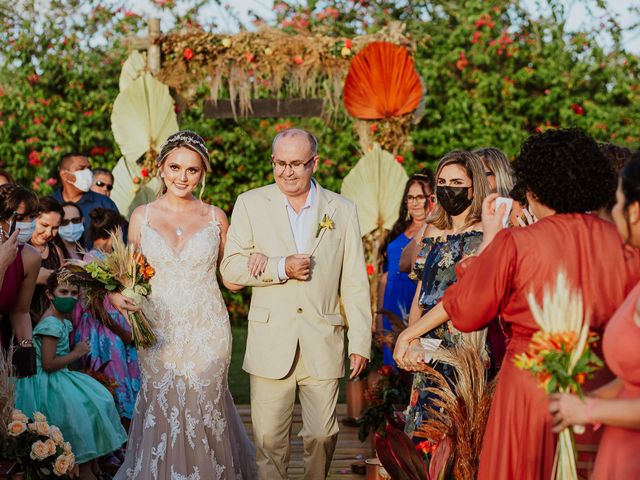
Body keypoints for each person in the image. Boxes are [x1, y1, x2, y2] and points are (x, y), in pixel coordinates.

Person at [397, 128, 640, 480]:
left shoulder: (517, 243)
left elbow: (466, 312)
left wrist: (492, 241)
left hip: (529, 386)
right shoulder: (624, 246)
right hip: (598, 383)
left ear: (534, 189)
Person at [221, 128, 372, 480]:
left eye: (296, 164)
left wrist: (360, 341)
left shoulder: (343, 210)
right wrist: (278, 266)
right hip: (271, 341)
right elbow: (230, 267)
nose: (287, 171)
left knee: (323, 434)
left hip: (323, 338)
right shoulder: (250, 203)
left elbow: (353, 281)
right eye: (280, 163)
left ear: (314, 163)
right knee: (269, 441)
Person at [111, 130, 257, 480]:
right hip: (159, 328)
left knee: (205, 406)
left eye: (192, 170)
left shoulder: (216, 217)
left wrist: (259, 259)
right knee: (163, 407)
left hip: (208, 328)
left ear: (202, 173)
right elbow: (127, 276)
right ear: (161, 168)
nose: (182, 177)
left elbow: (232, 279)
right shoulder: (141, 217)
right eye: (175, 167)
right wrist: (117, 295)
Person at [548, 156, 640, 479]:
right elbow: (633, 380)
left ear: (635, 211)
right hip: (620, 448)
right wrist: (593, 397)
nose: (611, 214)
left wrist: (587, 410)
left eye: (616, 203)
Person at [398, 151, 491, 439]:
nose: (448, 187)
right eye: (442, 181)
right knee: (424, 433)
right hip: (426, 346)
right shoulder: (433, 230)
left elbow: (463, 297)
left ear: (474, 187)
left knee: (457, 435)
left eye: (456, 181)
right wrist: (411, 338)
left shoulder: (485, 234)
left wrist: (410, 335)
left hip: (461, 345)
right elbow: (420, 291)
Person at [14, 270, 128, 480]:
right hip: (48, 383)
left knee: (98, 402)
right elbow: (48, 364)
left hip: (59, 376)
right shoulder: (51, 324)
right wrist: (77, 353)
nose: (69, 297)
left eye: (74, 293)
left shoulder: (59, 320)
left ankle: (94, 468)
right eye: (63, 291)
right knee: (80, 415)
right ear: (50, 294)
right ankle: (86, 469)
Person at [72, 207, 140, 427]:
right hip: (105, 332)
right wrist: (122, 331)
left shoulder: (113, 258)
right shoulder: (92, 259)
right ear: (115, 232)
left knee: (128, 379)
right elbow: (94, 307)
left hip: (119, 330)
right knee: (113, 381)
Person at [376, 173, 432, 366]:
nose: (415, 202)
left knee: (412, 358)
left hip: (414, 297)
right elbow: (385, 276)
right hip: (391, 299)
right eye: (410, 197)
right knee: (389, 361)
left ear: (431, 198)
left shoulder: (435, 230)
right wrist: (379, 315)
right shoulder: (398, 230)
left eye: (420, 197)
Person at [0, 184, 40, 351]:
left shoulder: (30, 256)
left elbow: (21, 311)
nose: (29, 223)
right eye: (21, 218)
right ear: (2, 218)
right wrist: (2, 262)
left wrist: (27, 348)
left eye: (32, 217)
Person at [52, 152, 119, 248]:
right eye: (81, 168)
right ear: (65, 175)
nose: (88, 173)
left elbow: (120, 241)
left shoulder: (105, 204)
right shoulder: (51, 204)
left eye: (89, 168)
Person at [29, 196, 65, 320]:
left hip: (50, 324)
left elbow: (64, 290)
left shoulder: (56, 251)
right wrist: (34, 278)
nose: (49, 233)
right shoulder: (19, 248)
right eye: (44, 225)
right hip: (21, 323)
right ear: (32, 219)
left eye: (55, 228)